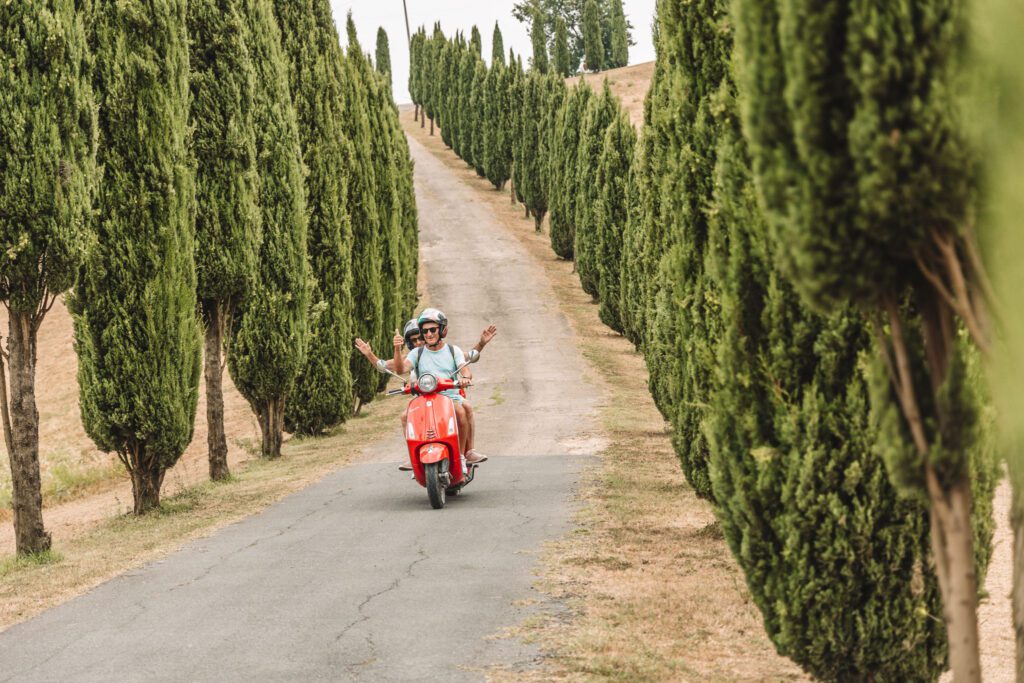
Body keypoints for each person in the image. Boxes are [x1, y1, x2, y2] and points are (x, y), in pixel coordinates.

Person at [353, 311, 496, 465]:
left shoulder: (452, 350)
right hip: (423, 398)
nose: (425, 337)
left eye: (432, 330)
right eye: (424, 332)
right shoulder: (415, 354)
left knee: (463, 409)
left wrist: (467, 375)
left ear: (441, 330)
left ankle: (463, 455)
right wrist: (385, 351)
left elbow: (466, 361)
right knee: (404, 416)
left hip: (449, 396)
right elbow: (395, 367)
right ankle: (414, 456)